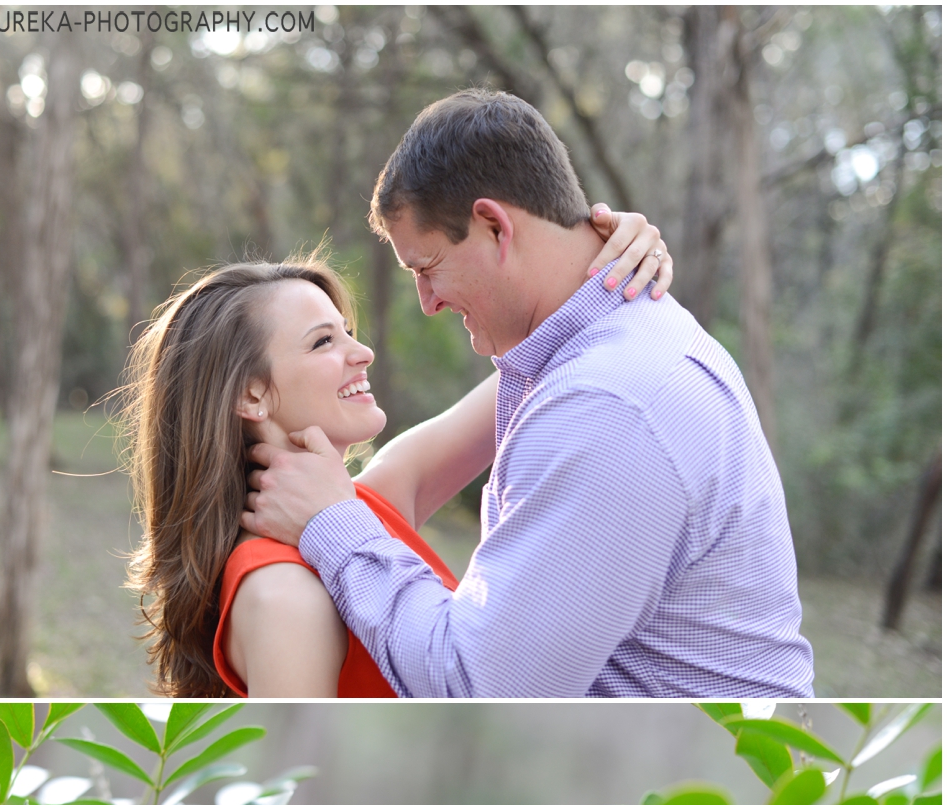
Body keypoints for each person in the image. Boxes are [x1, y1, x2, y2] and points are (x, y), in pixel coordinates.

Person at [243, 90, 815, 699]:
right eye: (321, 341)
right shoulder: (608, 348)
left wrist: (333, 525)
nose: (428, 302)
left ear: (495, 226)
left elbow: (480, 690)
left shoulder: (606, 403)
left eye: (428, 267)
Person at [122, 204, 671, 696]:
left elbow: (545, 353)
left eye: (347, 331)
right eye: (323, 341)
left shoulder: (372, 502)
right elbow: (306, 794)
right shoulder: (281, 592)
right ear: (251, 394)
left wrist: (617, 251)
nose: (361, 352)